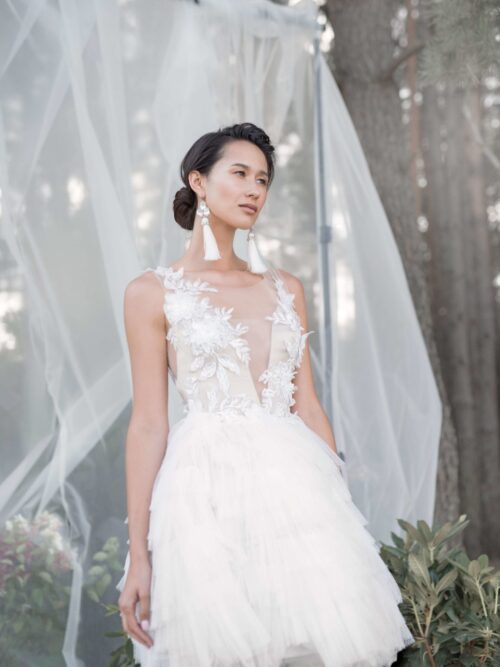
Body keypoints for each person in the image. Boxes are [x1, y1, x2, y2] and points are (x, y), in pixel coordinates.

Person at [116, 122, 414, 667]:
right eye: (240, 173)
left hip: (297, 493)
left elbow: (307, 403)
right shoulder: (152, 292)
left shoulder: (285, 287)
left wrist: (338, 509)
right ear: (198, 181)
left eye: (264, 179)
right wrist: (140, 555)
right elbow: (148, 424)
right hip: (203, 498)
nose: (255, 189)